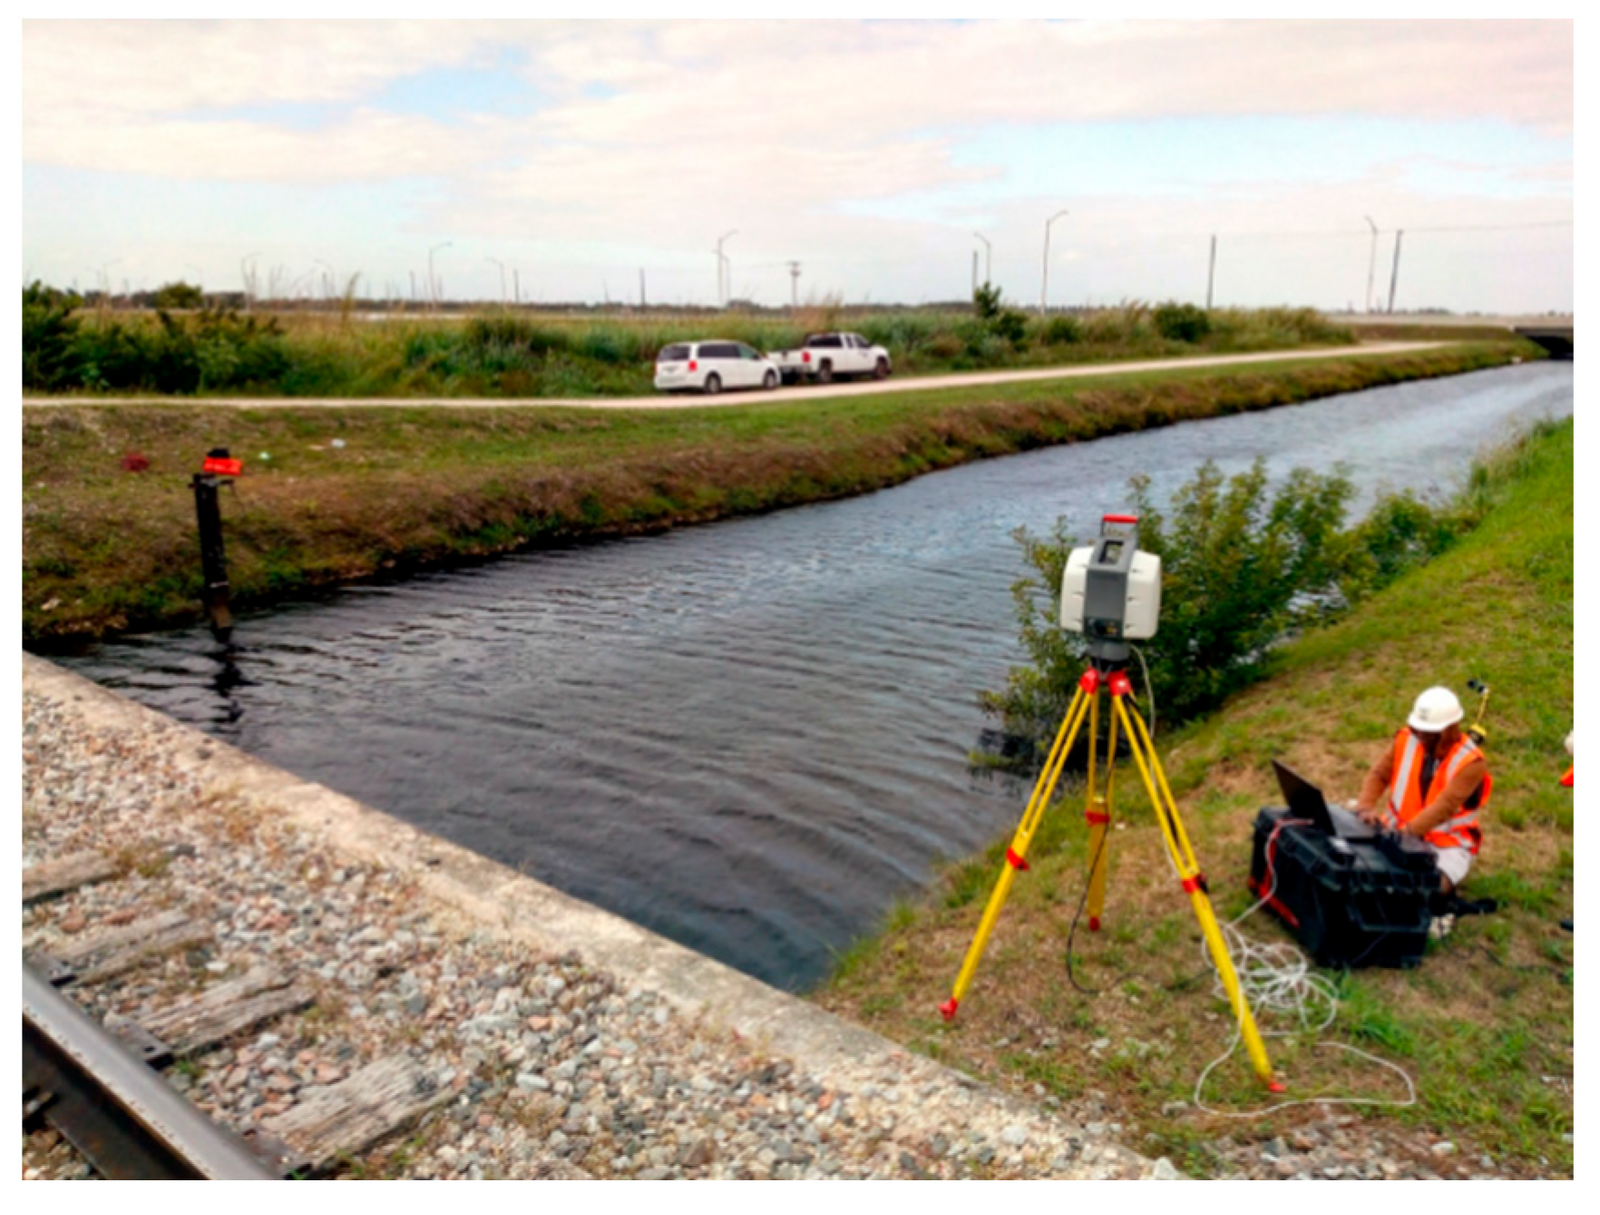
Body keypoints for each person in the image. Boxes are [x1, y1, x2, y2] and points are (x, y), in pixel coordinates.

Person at [1350, 686, 1490, 896]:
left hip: (1445, 842)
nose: (1421, 735)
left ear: (1449, 729)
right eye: (1418, 728)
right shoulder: (1406, 739)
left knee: (1427, 890)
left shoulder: (1471, 762)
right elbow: (1379, 774)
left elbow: (1445, 806)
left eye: (1429, 731)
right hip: (1396, 829)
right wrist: (1365, 807)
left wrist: (1404, 835)